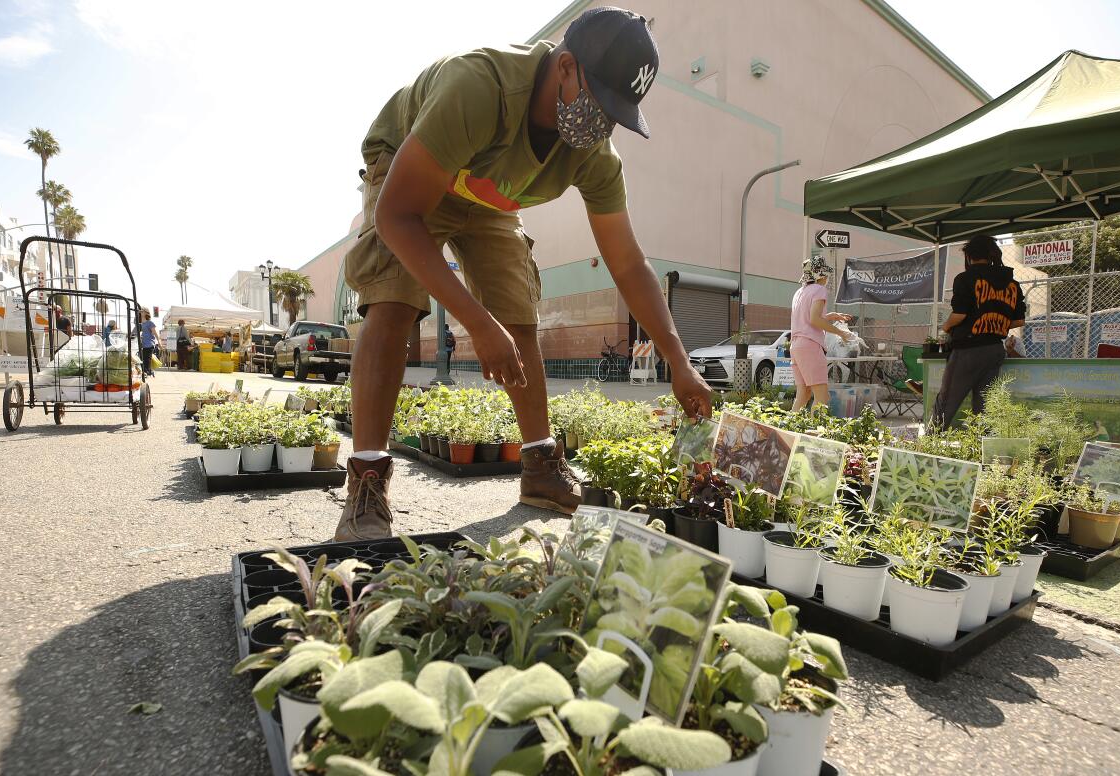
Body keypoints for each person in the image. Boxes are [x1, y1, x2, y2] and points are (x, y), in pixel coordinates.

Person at [335, 7, 712, 541]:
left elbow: (628, 261)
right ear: (564, 67)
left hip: (488, 196)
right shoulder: (478, 87)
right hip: (413, 168)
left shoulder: (593, 152)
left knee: (519, 317)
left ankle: (539, 465)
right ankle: (368, 481)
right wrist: (475, 322)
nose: (602, 122)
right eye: (598, 101)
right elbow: (397, 216)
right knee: (393, 299)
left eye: (616, 112)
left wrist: (678, 361)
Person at [931, 235, 1026, 429]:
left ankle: (927, 448)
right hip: (994, 350)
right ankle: (982, 450)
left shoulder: (966, 279)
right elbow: (1018, 320)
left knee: (947, 402)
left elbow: (959, 314)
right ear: (991, 255)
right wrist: (994, 322)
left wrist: (945, 328)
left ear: (969, 256)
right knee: (985, 407)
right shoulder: (1012, 284)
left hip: (968, 349)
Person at [789, 256, 853, 412]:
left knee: (803, 394)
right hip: (810, 345)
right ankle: (815, 433)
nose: (827, 278)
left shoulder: (799, 292)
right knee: (822, 397)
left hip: (796, 346)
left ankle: (786, 429)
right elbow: (814, 319)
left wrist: (831, 316)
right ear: (821, 275)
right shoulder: (819, 290)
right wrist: (841, 333)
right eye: (826, 274)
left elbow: (806, 317)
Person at [137, 310, 159, 377]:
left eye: (142, 311)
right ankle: (147, 371)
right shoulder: (141, 324)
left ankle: (147, 372)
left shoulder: (150, 323)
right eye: (140, 312)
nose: (141, 312)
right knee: (143, 358)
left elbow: (155, 333)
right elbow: (135, 331)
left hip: (149, 343)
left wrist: (159, 343)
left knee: (147, 358)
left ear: (146, 313)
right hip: (143, 344)